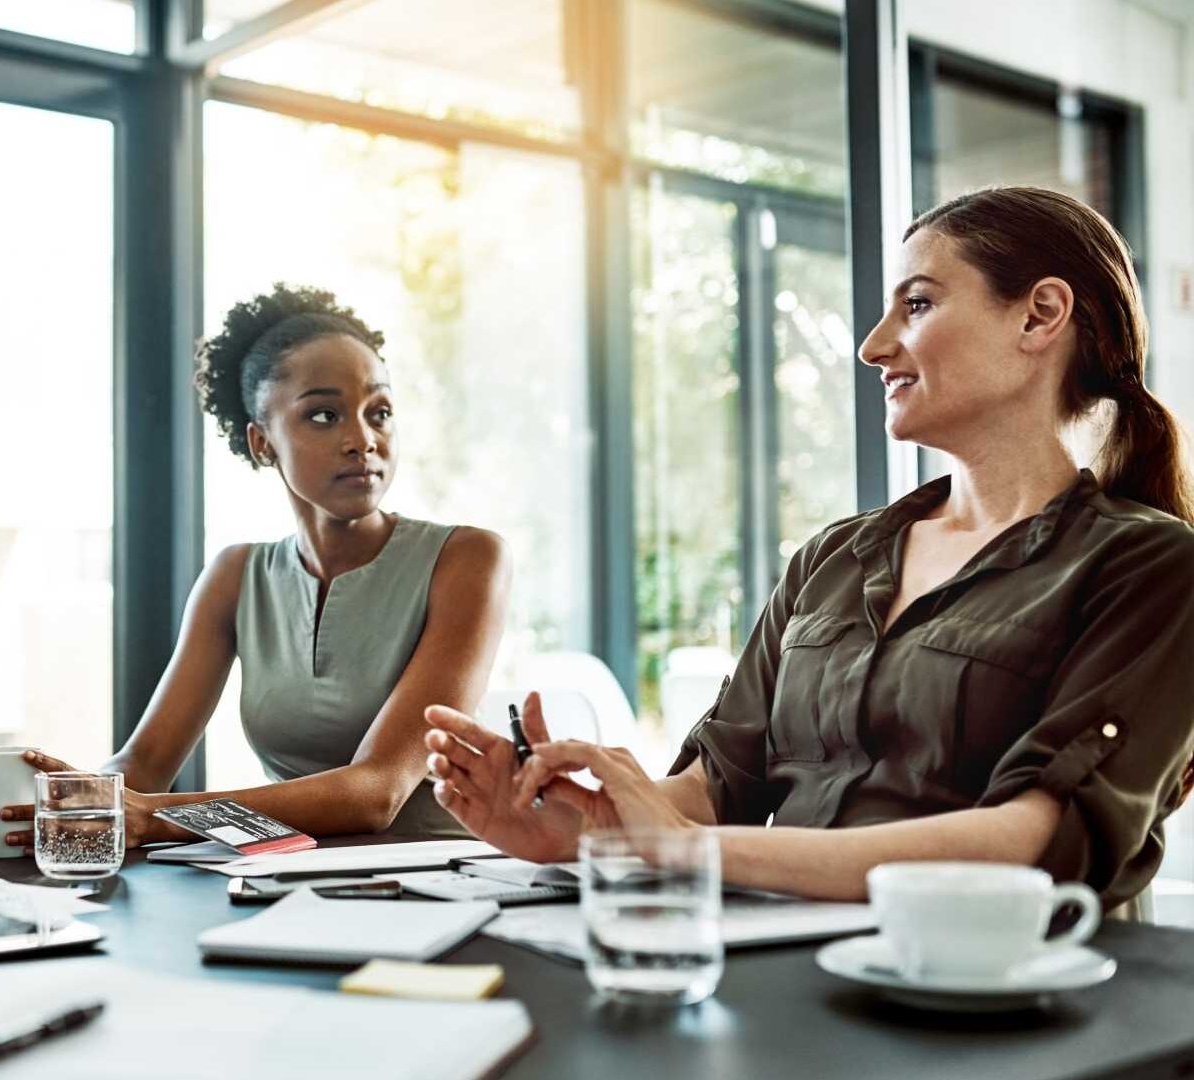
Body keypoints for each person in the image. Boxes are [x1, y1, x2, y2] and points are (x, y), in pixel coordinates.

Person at [424, 187, 1194, 909]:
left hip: (998, 1008)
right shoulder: (834, 558)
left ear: (1039, 317)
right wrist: (584, 828)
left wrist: (695, 852)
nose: (872, 346)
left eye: (917, 305)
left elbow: (1036, 842)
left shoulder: (1147, 568)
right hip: (786, 966)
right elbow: (714, 789)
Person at [0, 284, 510, 851]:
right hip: (289, 887)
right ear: (262, 443)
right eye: (325, 415)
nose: (363, 440)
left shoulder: (469, 559)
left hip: (453, 889)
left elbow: (376, 792)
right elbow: (144, 765)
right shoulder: (236, 576)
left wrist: (154, 816)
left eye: (379, 412)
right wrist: (44, 809)